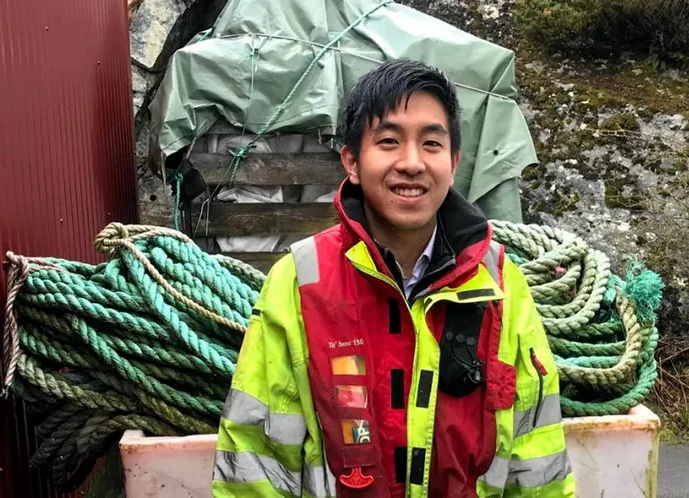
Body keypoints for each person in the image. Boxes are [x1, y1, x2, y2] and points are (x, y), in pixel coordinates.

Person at [211, 59, 574, 497]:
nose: (412, 163)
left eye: (431, 143)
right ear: (352, 161)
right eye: (388, 141)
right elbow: (257, 460)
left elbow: (535, 456)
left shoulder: (500, 285)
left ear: (453, 163)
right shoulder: (300, 282)